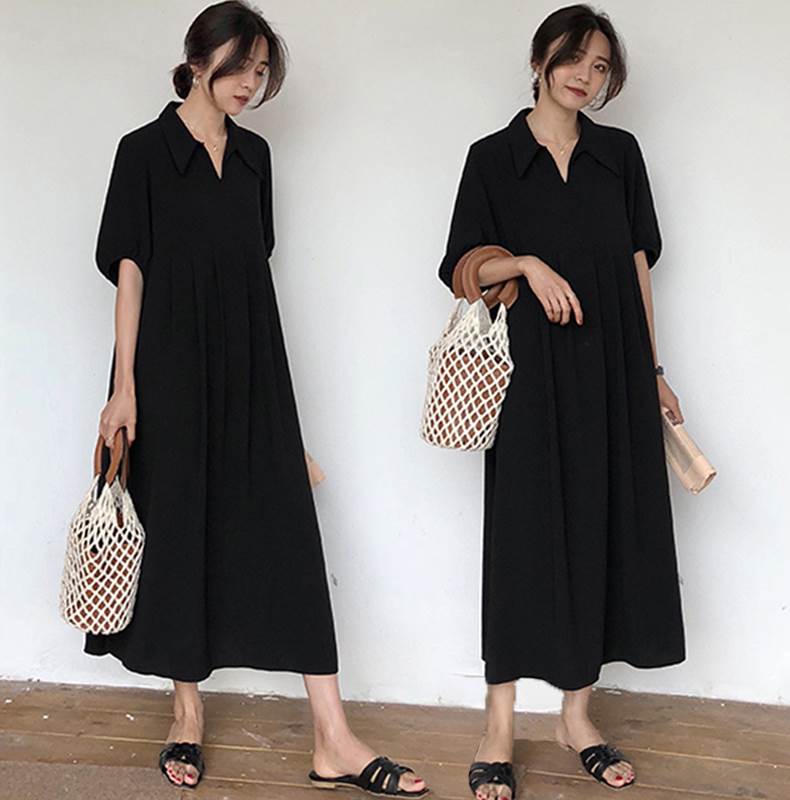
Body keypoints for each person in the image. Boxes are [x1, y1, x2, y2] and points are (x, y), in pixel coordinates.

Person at [87, 2, 427, 796]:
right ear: (197, 60)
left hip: (252, 359)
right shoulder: (142, 152)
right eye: (240, 66)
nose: (251, 83)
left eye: (263, 70)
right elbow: (131, 270)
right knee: (178, 528)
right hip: (166, 365)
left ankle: (334, 738)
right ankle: (186, 713)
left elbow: (252, 262)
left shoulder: (255, 157)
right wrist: (125, 388)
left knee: (288, 535)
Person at [437, 5, 686, 798]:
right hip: (528, 377)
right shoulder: (493, 158)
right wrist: (527, 263)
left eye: (601, 66)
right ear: (541, 60)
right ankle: (499, 724)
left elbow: (637, 267)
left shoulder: (620, 155)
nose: (586, 75)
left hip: (612, 369)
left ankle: (577, 716)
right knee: (522, 539)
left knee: (604, 528)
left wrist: (652, 370)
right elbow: (462, 269)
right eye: (575, 58)